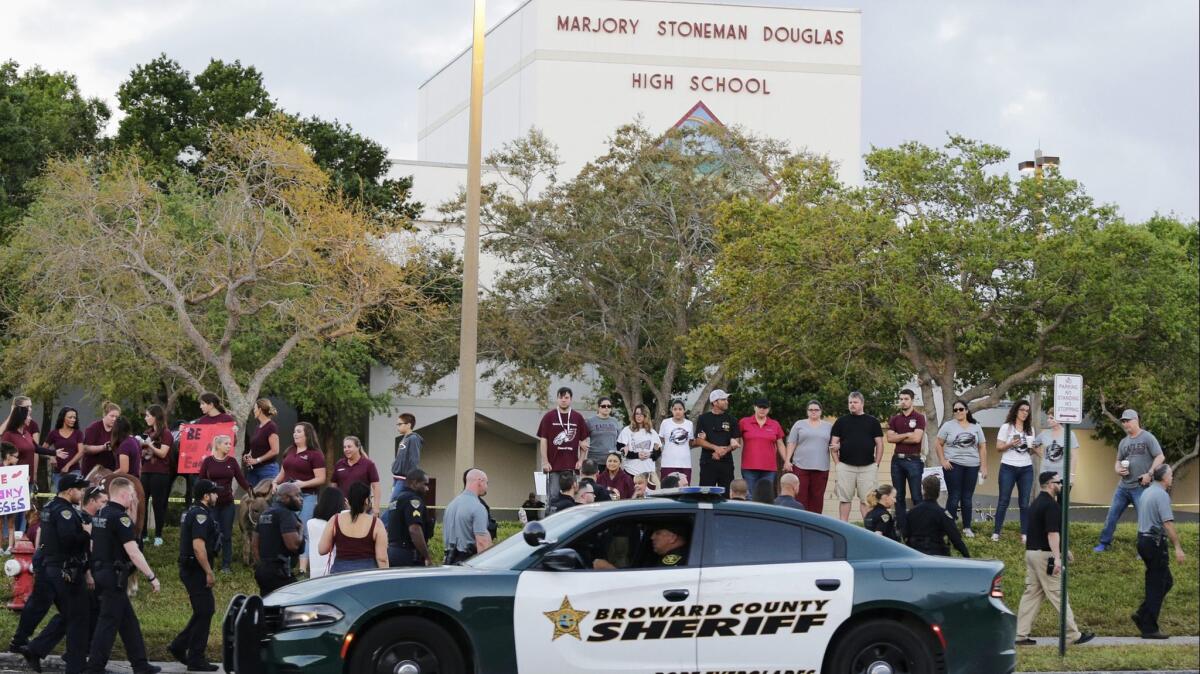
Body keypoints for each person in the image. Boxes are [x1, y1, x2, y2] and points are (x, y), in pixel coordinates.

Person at [11, 474, 92, 674]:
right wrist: (86, 533)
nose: (82, 493)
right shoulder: (64, 511)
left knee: (68, 614)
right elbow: (68, 540)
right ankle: (75, 665)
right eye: (79, 489)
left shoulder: (50, 507)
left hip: (50, 566)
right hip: (63, 570)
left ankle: (34, 649)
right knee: (78, 616)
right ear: (69, 490)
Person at [86, 477, 162, 674]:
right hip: (113, 575)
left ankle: (140, 664)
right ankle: (94, 667)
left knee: (128, 622)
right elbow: (133, 551)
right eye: (132, 494)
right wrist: (151, 576)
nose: (133, 498)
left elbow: (93, 544)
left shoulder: (101, 513)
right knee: (108, 623)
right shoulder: (121, 518)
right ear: (123, 494)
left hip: (101, 571)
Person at [1014, 471, 1095, 646]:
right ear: (1051, 484)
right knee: (1059, 594)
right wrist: (1057, 558)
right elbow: (1052, 533)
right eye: (1059, 482)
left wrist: (1064, 550)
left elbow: (1040, 531)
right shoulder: (1051, 505)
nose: (1061, 486)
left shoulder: (1036, 503)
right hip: (1045, 556)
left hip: (1031, 554)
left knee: (1031, 594)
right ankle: (1073, 635)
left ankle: (1020, 635)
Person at [169, 479, 222, 671]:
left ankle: (179, 646)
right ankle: (195, 658)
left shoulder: (192, 511)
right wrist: (209, 572)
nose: (217, 495)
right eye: (214, 493)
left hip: (190, 568)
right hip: (195, 570)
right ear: (206, 496)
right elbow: (198, 547)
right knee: (206, 610)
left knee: (203, 611)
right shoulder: (200, 514)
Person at [1095, 409, 1165, 552]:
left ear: (1136, 420)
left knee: (1145, 520)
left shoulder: (1147, 437)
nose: (1125, 424)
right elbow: (1118, 461)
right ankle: (1104, 543)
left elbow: (1160, 457)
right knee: (1111, 516)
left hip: (1141, 486)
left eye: (1128, 421)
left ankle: (1145, 549)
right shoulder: (1123, 442)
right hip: (1123, 487)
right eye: (1123, 421)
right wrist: (1117, 469)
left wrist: (1149, 473)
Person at [1133, 465, 1187, 639]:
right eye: (1170, 474)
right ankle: (1149, 628)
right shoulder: (1161, 495)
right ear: (1164, 478)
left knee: (1165, 581)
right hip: (1155, 542)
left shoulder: (1147, 492)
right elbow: (1167, 523)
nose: (1172, 477)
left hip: (1143, 540)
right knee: (1157, 584)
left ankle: (1142, 614)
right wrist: (1178, 547)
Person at [273, 422, 326, 574]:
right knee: (285, 528)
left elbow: (321, 478)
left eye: (298, 432)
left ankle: (302, 569)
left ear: (307, 435)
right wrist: (275, 482)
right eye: (294, 432)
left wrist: (302, 484)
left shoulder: (315, 454)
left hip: (307, 496)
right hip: (286, 497)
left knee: (303, 530)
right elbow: (282, 473)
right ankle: (285, 565)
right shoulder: (290, 451)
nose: (295, 434)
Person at [198, 434, 251, 572]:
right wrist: (199, 500)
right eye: (226, 443)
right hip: (211, 506)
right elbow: (201, 481)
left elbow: (241, 480)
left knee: (226, 535)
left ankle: (226, 565)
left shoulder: (232, 461)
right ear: (218, 445)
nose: (229, 446)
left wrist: (253, 492)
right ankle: (209, 563)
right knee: (211, 534)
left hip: (227, 504)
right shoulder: (208, 461)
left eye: (230, 444)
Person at [936, 401, 988, 537]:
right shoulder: (948, 426)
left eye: (961, 409)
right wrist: (942, 460)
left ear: (966, 410)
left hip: (972, 465)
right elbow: (938, 443)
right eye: (955, 410)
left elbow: (982, 446)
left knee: (967, 497)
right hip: (953, 464)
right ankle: (948, 528)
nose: (958, 411)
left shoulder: (976, 426)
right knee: (954, 496)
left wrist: (984, 466)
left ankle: (967, 527)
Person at [831, 392, 884, 522]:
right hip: (845, 467)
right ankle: (843, 528)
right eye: (850, 402)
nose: (852, 405)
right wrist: (838, 464)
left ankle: (868, 531)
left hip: (868, 467)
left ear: (862, 403)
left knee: (867, 501)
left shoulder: (873, 421)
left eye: (855, 402)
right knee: (844, 500)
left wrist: (876, 464)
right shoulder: (841, 421)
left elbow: (880, 444)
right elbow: (833, 444)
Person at [993, 400, 1038, 542]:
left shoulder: (1030, 429)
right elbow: (998, 447)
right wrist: (1010, 444)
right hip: (1008, 466)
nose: (1025, 413)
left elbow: (1029, 452)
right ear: (1016, 411)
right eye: (1022, 410)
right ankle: (996, 532)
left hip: (1026, 468)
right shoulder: (1007, 427)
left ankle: (1024, 534)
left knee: (1024, 502)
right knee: (1003, 500)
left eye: (1027, 411)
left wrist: (1033, 448)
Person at [318, 482, 387, 573]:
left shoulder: (335, 519)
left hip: (340, 574)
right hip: (368, 574)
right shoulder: (376, 523)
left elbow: (322, 549)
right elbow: (382, 558)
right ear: (366, 500)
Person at [537, 387, 590, 502]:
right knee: (554, 497)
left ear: (571, 399)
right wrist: (545, 462)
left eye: (566, 397)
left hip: (571, 467)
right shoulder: (549, 417)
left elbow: (584, 441)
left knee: (572, 498)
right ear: (557, 399)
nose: (563, 400)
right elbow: (543, 440)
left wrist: (581, 460)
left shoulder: (578, 417)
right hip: (554, 466)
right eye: (561, 397)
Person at [886, 389, 927, 535]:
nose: (903, 401)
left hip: (914, 460)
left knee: (916, 496)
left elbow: (916, 439)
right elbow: (889, 438)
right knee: (898, 496)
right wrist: (907, 434)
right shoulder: (894, 419)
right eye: (901, 399)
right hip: (897, 460)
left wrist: (899, 436)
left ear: (912, 400)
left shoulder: (919, 417)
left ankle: (920, 526)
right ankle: (901, 527)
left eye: (906, 399)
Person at [188, 393, 238, 507]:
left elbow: (232, 443)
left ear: (211, 404)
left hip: (221, 465)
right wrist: (184, 432)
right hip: (203, 467)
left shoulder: (227, 419)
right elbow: (196, 443)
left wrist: (234, 433)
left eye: (202, 404)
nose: (200, 406)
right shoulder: (201, 421)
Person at [253, 482, 304, 595]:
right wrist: (301, 529)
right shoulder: (286, 514)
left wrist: (262, 565)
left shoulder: (265, 513)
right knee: (297, 603)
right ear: (285, 498)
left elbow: (255, 543)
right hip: (279, 572)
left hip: (264, 571)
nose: (301, 499)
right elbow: (293, 545)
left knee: (269, 608)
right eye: (297, 495)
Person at [785, 400, 834, 514]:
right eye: (811, 410)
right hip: (801, 466)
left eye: (816, 410)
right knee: (800, 497)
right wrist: (787, 460)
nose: (813, 412)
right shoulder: (799, 424)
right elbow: (791, 443)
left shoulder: (829, 427)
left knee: (817, 499)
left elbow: (834, 444)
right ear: (807, 411)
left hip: (821, 467)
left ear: (821, 411)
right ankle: (800, 522)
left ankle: (814, 525)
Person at [905, 475, 970, 558]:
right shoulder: (942, 513)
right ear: (938, 492)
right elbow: (955, 538)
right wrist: (967, 557)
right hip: (936, 557)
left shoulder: (912, 512)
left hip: (915, 555)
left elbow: (905, 535)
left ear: (923, 490)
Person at [1, 398, 39, 538]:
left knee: (22, 511)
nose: (30, 411)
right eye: (27, 409)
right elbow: (6, 456)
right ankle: (5, 540)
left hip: (27, 479)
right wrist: (18, 474)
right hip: (13, 480)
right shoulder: (9, 433)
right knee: (10, 514)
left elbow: (36, 448)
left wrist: (54, 453)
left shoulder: (27, 432)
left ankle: (18, 538)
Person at [139, 405, 173, 547]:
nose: (146, 418)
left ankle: (158, 535)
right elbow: (143, 453)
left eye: (148, 415)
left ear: (155, 416)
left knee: (158, 505)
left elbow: (163, 453)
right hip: (145, 471)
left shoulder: (166, 433)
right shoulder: (147, 432)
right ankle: (144, 534)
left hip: (160, 473)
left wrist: (150, 446)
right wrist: (141, 447)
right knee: (143, 503)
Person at [693, 389, 742, 489]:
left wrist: (723, 451)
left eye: (726, 399)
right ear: (715, 402)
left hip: (726, 463)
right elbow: (698, 440)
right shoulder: (703, 418)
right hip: (708, 462)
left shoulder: (732, 419)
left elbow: (737, 440)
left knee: (726, 495)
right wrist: (715, 448)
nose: (726, 402)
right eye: (723, 399)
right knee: (706, 494)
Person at [443, 469, 492, 564]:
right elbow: (482, 543)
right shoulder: (478, 507)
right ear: (480, 481)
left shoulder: (451, 505)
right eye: (486, 483)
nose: (487, 486)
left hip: (449, 561)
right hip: (468, 561)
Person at [387, 469, 434, 567]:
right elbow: (414, 529)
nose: (427, 489)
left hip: (393, 552)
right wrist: (427, 556)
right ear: (414, 483)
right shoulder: (413, 500)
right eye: (425, 484)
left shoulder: (396, 499)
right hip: (407, 554)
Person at [739, 399, 786, 495]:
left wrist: (787, 461)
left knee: (765, 497)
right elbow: (735, 439)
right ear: (754, 407)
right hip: (749, 467)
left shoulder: (775, 424)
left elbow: (780, 444)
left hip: (769, 468)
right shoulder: (744, 422)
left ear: (768, 409)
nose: (762, 409)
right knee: (750, 497)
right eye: (760, 407)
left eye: (765, 407)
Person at [387, 413, 423, 525]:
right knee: (393, 505)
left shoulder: (413, 439)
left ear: (408, 425)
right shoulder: (404, 439)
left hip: (404, 479)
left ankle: (380, 528)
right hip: (397, 478)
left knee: (393, 506)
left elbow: (414, 460)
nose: (398, 426)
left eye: (400, 424)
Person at [331, 436, 381, 510]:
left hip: (362, 508)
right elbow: (333, 485)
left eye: (349, 446)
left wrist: (376, 507)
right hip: (341, 508)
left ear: (358, 447)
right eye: (344, 447)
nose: (346, 449)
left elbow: (376, 486)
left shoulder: (368, 464)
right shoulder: (339, 464)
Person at [42, 406, 83, 493]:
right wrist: (51, 457)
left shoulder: (78, 433)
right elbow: (42, 450)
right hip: (58, 473)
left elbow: (81, 452)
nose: (73, 420)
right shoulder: (53, 433)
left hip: (74, 470)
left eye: (74, 417)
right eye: (70, 417)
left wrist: (68, 465)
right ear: (63, 418)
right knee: (62, 497)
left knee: (74, 495)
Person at [307, 486, 346, 579]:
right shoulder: (338, 523)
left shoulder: (310, 523)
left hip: (315, 572)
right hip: (334, 570)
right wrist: (348, 509)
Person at [619, 404, 661, 480]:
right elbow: (620, 450)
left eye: (642, 414)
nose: (639, 416)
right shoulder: (627, 430)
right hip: (631, 472)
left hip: (648, 473)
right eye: (637, 413)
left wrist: (650, 454)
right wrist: (637, 455)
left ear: (646, 415)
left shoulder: (652, 432)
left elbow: (658, 452)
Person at [243, 399, 280, 485]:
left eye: (255, 408)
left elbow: (275, 450)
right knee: (252, 497)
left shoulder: (271, 426)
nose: (253, 411)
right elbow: (256, 446)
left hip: (267, 470)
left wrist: (257, 460)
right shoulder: (258, 427)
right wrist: (249, 455)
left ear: (260, 410)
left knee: (266, 497)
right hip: (253, 471)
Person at [658, 399, 695, 485]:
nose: (677, 411)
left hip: (685, 464)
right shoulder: (665, 423)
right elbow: (661, 439)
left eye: (680, 409)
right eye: (675, 409)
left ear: (684, 410)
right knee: (667, 489)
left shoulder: (689, 424)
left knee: (684, 490)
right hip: (668, 463)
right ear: (672, 410)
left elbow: (691, 442)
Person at [1036, 413, 1079, 483]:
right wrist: (1042, 456)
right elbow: (1033, 445)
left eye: (1051, 418)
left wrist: (1072, 476)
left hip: (1063, 476)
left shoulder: (1070, 434)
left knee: (1062, 494)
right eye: (1048, 418)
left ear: (1059, 419)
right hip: (1046, 475)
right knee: (1046, 494)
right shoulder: (1044, 434)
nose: (1048, 420)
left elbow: (1074, 456)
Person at [80, 401, 119, 477]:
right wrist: (103, 447)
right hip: (91, 471)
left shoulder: (117, 430)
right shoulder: (94, 428)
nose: (114, 419)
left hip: (109, 471)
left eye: (117, 417)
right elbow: (85, 448)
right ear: (104, 415)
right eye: (112, 416)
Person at [586, 396, 622, 466]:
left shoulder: (614, 421)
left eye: (609, 406)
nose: (606, 408)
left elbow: (619, 440)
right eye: (603, 406)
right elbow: (582, 438)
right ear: (598, 407)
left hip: (611, 460)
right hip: (594, 460)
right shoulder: (590, 421)